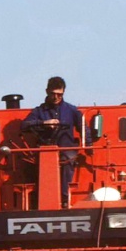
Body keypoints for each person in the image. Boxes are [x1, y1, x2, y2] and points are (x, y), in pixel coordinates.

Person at [22, 76, 85, 208]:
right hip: (43, 149)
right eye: (53, 94)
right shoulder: (38, 111)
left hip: (66, 148)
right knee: (30, 165)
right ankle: (36, 201)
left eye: (59, 94)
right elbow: (24, 126)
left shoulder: (72, 110)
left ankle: (63, 198)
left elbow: (84, 128)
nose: (56, 97)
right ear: (47, 91)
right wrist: (44, 123)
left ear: (63, 93)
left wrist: (88, 146)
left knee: (68, 159)